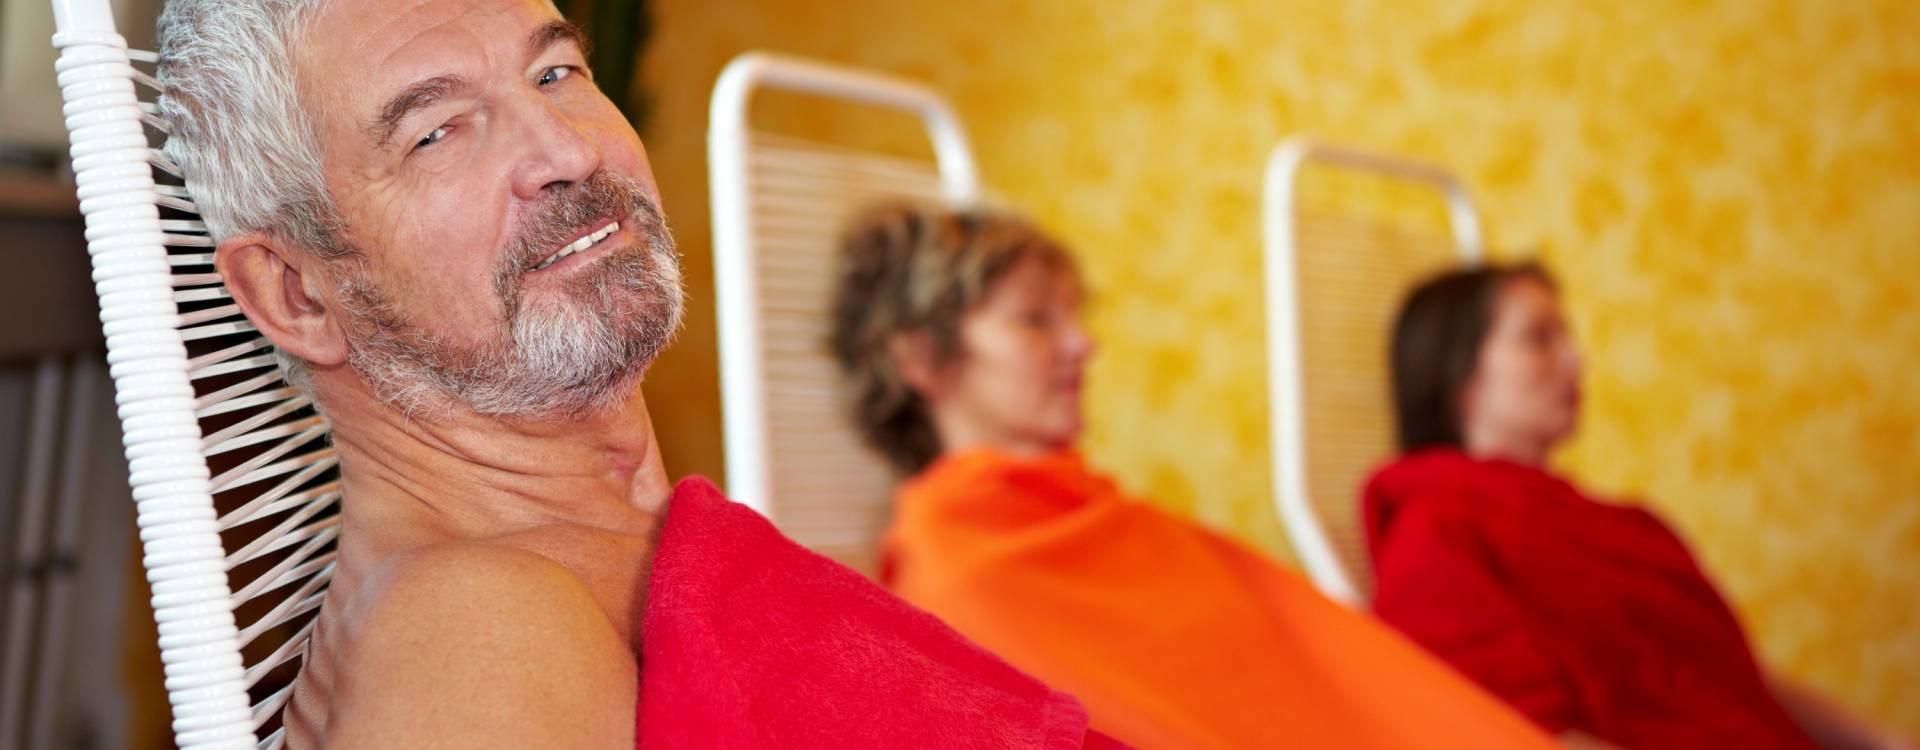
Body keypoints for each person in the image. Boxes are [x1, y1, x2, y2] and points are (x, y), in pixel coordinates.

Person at [157, 1, 1122, 747]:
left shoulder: (624, 561)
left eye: (556, 71)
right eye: (437, 131)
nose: (568, 151)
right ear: (296, 294)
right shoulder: (476, 630)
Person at [827, 204, 1558, 750]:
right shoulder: (956, 572)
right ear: (922, 360)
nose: (1083, 343)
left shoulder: (1091, 517)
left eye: (1074, 316)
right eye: (1035, 320)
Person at [1366, 262, 1912, 750]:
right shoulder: (1435, 532)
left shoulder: (1621, 526)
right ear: (1459, 378)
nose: (1576, 359)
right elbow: (1499, 730)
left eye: (1567, 336)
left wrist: (1884, 741)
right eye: (1539, 338)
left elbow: (1731, 679)